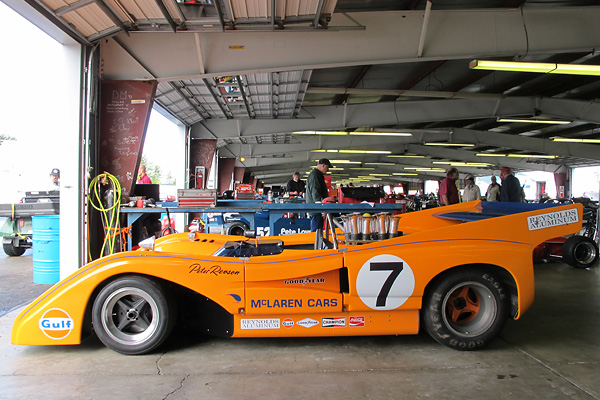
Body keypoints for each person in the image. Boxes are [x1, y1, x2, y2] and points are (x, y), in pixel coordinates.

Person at [306, 158, 334, 232]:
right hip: (316, 210)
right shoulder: (315, 175)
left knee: (319, 231)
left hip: (316, 209)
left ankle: (317, 243)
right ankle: (315, 243)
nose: (327, 170)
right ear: (323, 165)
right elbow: (315, 193)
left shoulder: (318, 175)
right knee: (316, 233)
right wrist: (321, 208)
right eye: (327, 168)